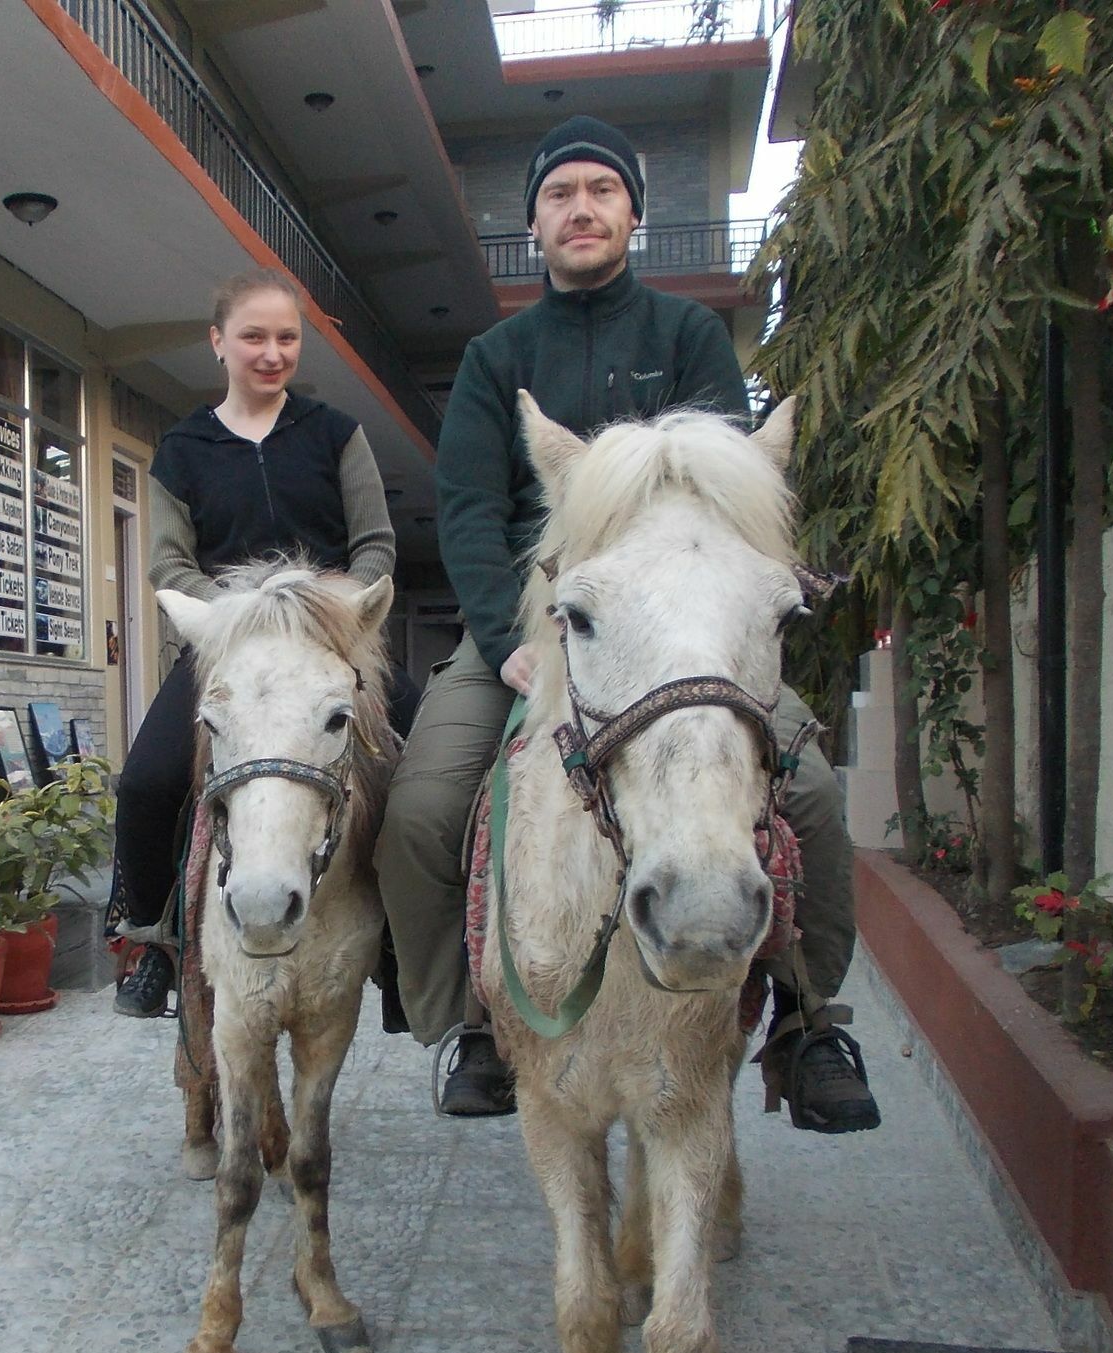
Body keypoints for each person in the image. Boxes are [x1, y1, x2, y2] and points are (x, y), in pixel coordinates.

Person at [373, 116, 879, 1132]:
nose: (580, 209)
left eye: (600, 190)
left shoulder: (689, 336)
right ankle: (466, 1017)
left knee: (813, 798)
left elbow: (727, 496)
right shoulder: (491, 357)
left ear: (632, 215)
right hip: (525, 620)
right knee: (421, 812)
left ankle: (805, 1018)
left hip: (678, 622)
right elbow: (469, 508)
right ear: (534, 225)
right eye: (559, 195)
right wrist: (505, 638)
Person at [111, 267, 419, 1019]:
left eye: (287, 337)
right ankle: (152, 937)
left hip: (330, 645)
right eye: (254, 336)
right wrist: (245, 614)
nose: (272, 352)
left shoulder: (336, 435)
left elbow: (376, 546)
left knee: (423, 774)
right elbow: (169, 565)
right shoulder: (182, 448)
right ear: (219, 343)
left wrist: (328, 609)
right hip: (226, 648)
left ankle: (403, 950)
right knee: (146, 784)